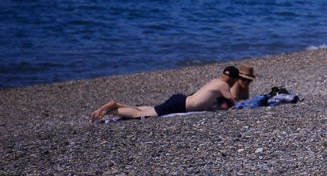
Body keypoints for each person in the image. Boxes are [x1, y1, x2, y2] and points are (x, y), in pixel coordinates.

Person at [90, 64, 255, 123]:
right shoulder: (224, 86)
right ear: (233, 79)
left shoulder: (215, 81)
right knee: (144, 115)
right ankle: (113, 108)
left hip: (181, 100)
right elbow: (233, 103)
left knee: (148, 109)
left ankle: (117, 106)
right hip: (181, 105)